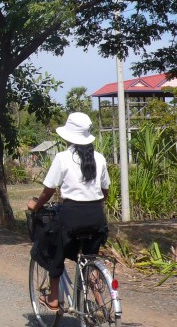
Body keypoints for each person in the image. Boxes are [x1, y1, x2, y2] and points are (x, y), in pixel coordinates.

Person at [27, 112, 110, 313]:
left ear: (68, 136)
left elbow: (48, 190)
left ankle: (54, 298)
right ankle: (101, 302)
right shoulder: (99, 158)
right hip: (96, 216)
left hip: (71, 215)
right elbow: (105, 190)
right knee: (90, 257)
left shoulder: (63, 158)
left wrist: (35, 206)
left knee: (53, 249)